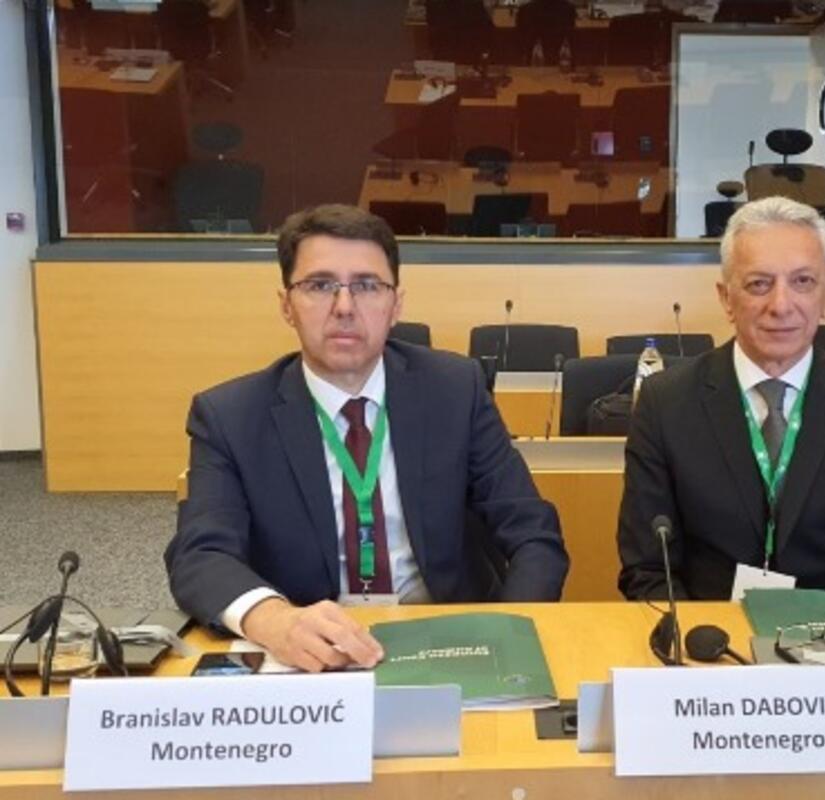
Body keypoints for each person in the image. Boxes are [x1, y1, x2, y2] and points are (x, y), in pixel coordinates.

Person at [166, 204, 568, 672]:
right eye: (319, 285)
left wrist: (507, 633)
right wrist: (275, 620)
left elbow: (532, 531)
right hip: (310, 654)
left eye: (367, 285)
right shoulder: (230, 416)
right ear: (286, 306)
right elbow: (201, 554)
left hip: (448, 638)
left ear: (396, 306)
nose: (344, 307)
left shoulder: (456, 389)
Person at [617, 197, 825, 601]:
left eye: (803, 282)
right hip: (708, 630)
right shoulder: (665, 403)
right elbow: (648, 570)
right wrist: (694, 636)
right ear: (726, 298)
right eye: (759, 284)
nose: (781, 306)